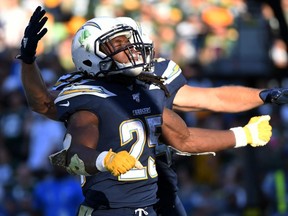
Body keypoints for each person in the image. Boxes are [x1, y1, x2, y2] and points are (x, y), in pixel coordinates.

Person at [18, 6, 273, 216]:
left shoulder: (150, 87)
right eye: (117, 44)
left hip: (158, 198)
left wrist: (261, 103)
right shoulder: (88, 95)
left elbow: (192, 127)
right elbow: (51, 116)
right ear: (91, 55)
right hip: (110, 207)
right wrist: (28, 60)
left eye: (128, 41)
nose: (129, 49)